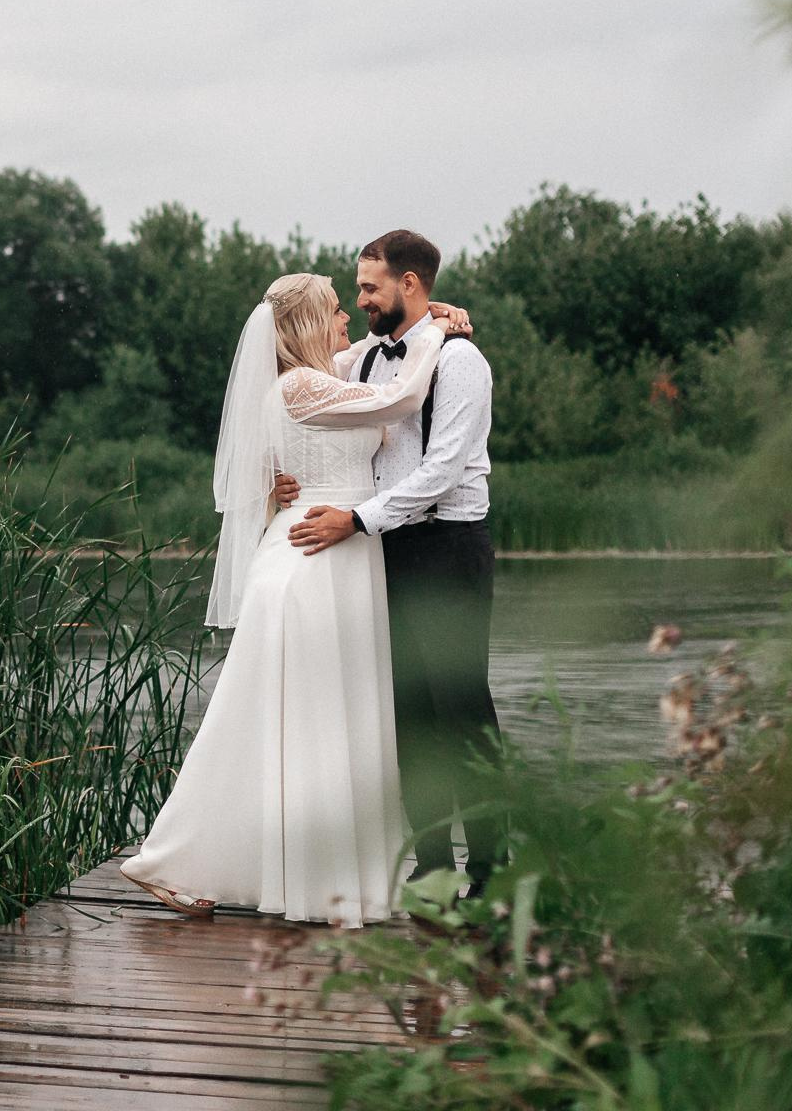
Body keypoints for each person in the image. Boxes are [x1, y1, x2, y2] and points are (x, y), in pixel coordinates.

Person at [119, 271, 462, 927]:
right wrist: (436, 335)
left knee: (305, 721)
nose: (346, 319)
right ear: (307, 323)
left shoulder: (315, 379)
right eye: (334, 310)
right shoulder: (300, 386)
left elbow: (362, 364)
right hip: (313, 563)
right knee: (308, 722)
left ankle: (263, 869)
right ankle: (184, 860)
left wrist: (422, 320)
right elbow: (400, 398)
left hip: (340, 555)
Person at [283, 229, 506, 899]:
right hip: (390, 549)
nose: (361, 299)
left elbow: (442, 471)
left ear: (409, 283)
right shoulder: (364, 360)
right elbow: (293, 372)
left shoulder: (461, 362)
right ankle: (433, 866)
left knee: (461, 711)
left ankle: (492, 871)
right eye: (357, 289)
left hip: (448, 548)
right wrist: (279, 478)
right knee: (409, 715)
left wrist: (355, 519)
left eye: (369, 287)